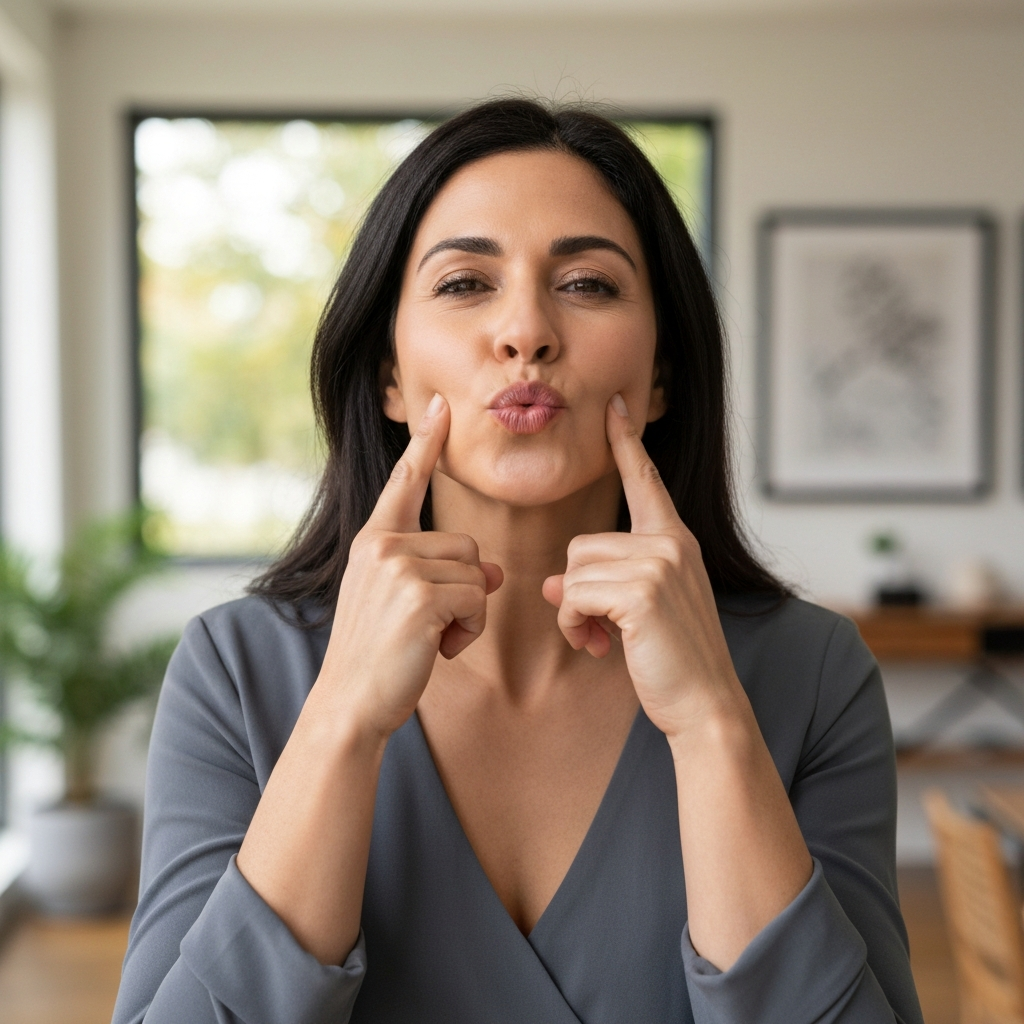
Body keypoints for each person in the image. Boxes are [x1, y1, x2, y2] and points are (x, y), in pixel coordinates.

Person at [112, 99, 924, 1024]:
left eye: (586, 284)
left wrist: (710, 724)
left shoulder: (814, 675)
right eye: (465, 284)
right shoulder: (235, 672)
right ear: (387, 373)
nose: (526, 332)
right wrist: (339, 718)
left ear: (661, 373)